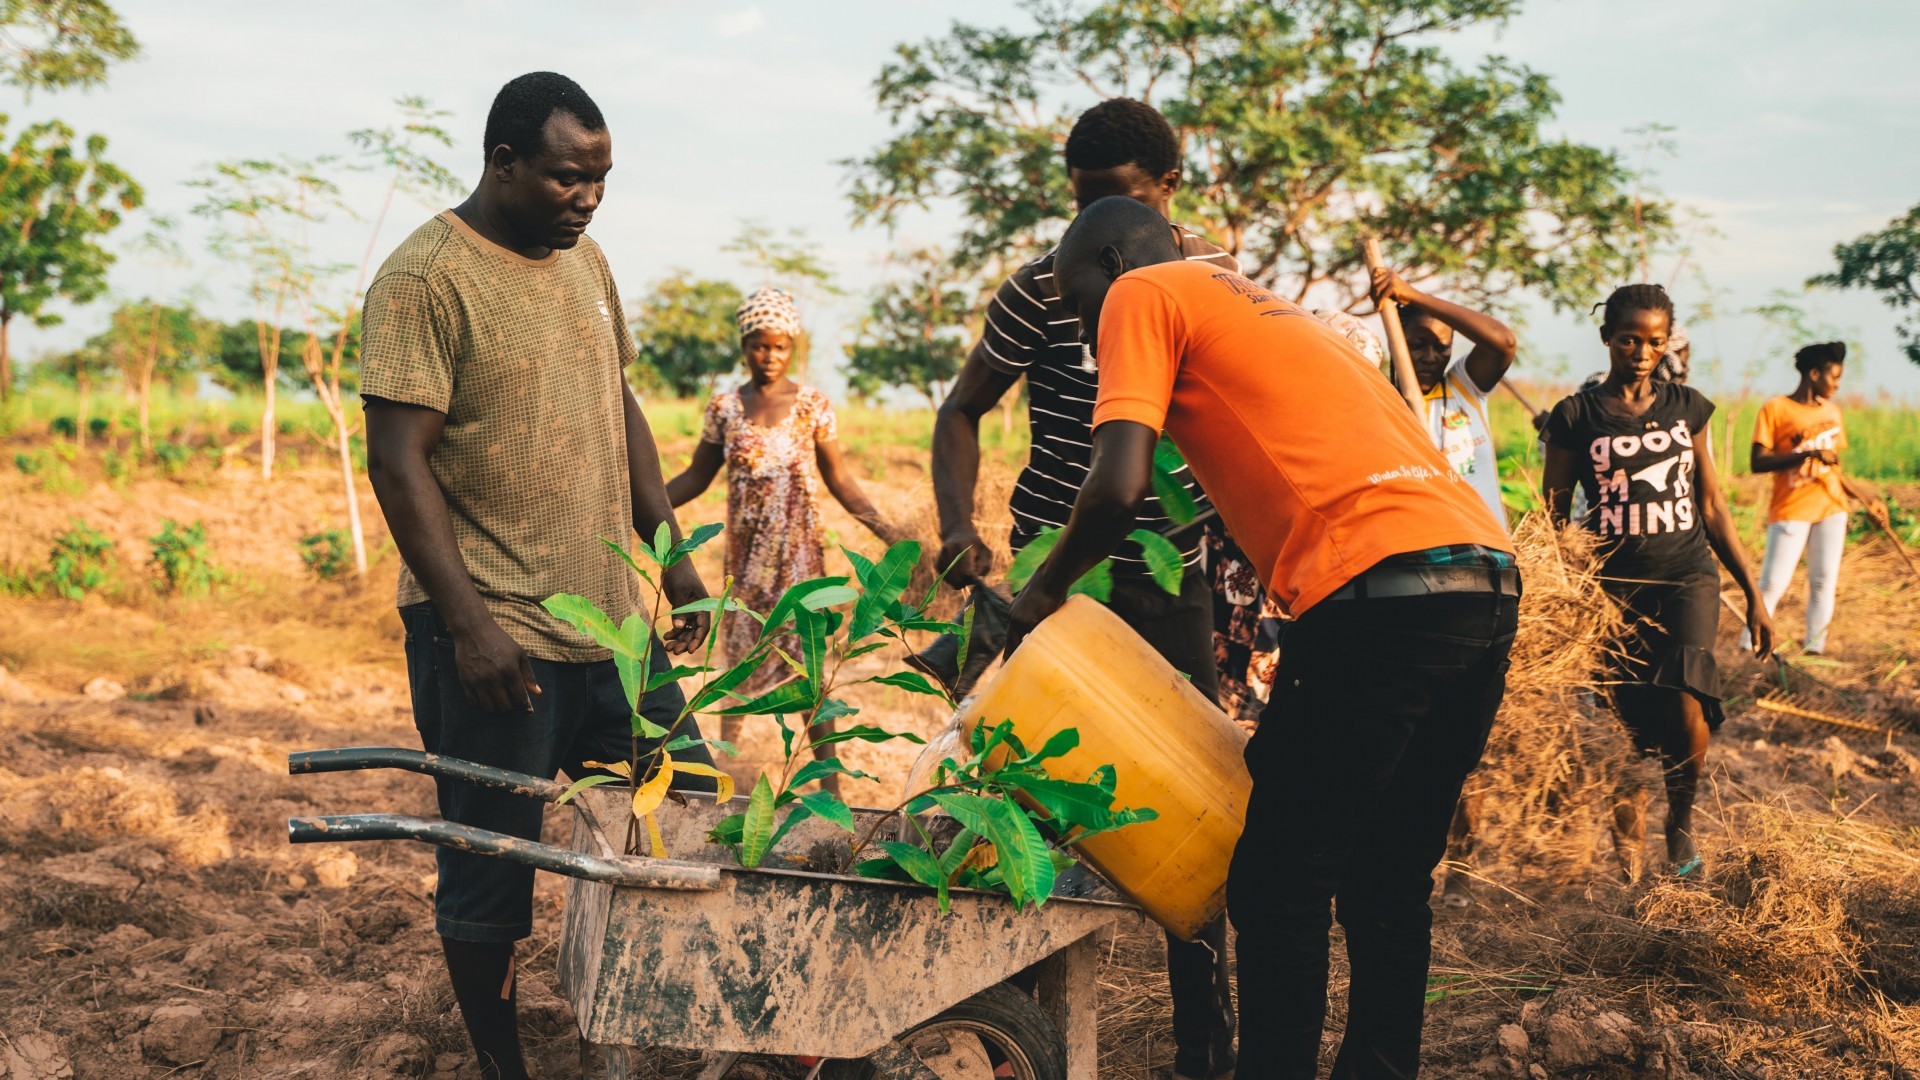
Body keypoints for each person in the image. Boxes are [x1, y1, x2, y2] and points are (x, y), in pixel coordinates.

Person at [1010, 196, 1520, 1080]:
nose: (1092, 339)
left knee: (1280, 883)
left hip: (1375, 593)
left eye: (1080, 305)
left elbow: (1117, 484)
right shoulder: (1275, 311)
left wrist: (1036, 595)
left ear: (1110, 263)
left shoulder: (1147, 292)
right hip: (1485, 581)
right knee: (1388, 881)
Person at [361, 72, 717, 1080]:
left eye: (600, 181)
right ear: (504, 161)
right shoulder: (427, 279)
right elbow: (398, 460)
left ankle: (655, 1030)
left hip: (610, 630)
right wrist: (471, 629)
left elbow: (621, 405)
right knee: (491, 873)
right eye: (569, 178)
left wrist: (674, 556)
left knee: (681, 808)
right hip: (494, 636)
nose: (588, 200)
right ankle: (503, 1067)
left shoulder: (586, 262)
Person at [931, 97, 1238, 1080]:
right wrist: (954, 530)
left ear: (1168, 190)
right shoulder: (1040, 289)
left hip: (1166, 579)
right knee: (1021, 805)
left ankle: (1205, 1040)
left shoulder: (1210, 294)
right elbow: (961, 409)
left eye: (1117, 200)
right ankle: (1009, 1027)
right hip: (1051, 585)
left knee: (1193, 808)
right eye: (1081, 205)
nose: (1092, 231)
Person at [1541, 285, 1772, 881]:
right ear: (1607, 339)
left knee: (1690, 688)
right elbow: (1554, 516)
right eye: (1629, 339)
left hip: (1687, 573)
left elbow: (1713, 505)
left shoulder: (1686, 405)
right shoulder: (1575, 416)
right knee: (1626, 724)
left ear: (1666, 343)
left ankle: (1682, 823)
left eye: (1654, 341)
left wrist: (1753, 594)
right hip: (1612, 593)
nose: (1642, 352)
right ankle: (1631, 858)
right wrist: (1568, 596)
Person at [665, 287, 899, 774]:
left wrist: (890, 533)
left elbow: (840, 480)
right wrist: (636, 505)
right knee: (740, 661)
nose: (768, 356)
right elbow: (695, 477)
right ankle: (730, 770)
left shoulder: (813, 404)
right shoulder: (725, 408)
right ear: (744, 343)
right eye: (758, 344)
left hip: (800, 566)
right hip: (747, 567)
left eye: (779, 346)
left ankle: (828, 781)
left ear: (793, 347)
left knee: (807, 666)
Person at [1368, 266, 1519, 530]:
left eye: (1441, 347)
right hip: (1428, 558)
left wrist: (1412, 295)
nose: (1429, 357)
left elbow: (1503, 342)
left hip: (1493, 556)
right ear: (1396, 342)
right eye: (1416, 345)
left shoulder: (1464, 388)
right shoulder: (1381, 405)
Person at [1743, 342, 1862, 655]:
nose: (1837, 385)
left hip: (1832, 507)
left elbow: (1834, 469)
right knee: (1772, 583)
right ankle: (1748, 646)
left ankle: (1814, 649)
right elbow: (1758, 462)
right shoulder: (1776, 408)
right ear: (1814, 374)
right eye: (1833, 377)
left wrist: (1865, 499)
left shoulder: (1833, 413)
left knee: (1823, 581)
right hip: (1792, 507)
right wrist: (1805, 453)